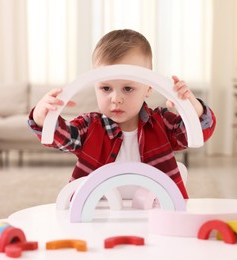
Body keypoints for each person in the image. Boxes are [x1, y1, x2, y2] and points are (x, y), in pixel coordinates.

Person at [28, 29, 216, 199]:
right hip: (97, 214)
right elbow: (59, 136)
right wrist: (42, 116)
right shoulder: (89, 126)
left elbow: (197, 131)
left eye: (127, 88)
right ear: (95, 86)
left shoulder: (162, 122)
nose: (115, 98)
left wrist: (191, 106)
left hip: (158, 212)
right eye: (105, 88)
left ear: (149, 87)